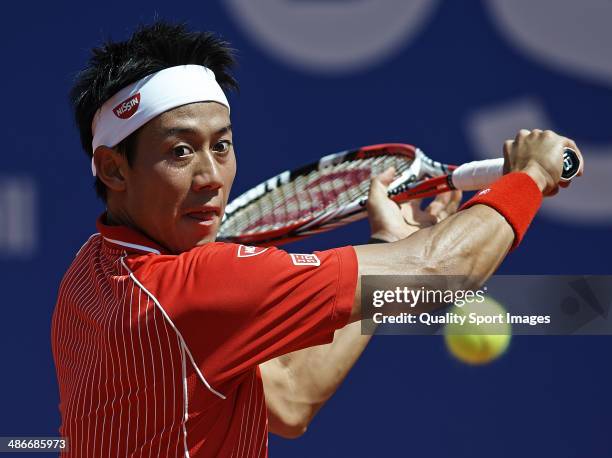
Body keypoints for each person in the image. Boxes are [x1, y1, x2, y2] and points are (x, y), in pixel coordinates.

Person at [51, 21, 583, 457]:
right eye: (181, 152)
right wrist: (529, 178)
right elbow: (437, 273)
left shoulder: (89, 273)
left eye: (222, 145)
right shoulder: (197, 285)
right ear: (113, 169)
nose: (211, 175)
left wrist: (385, 246)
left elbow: (287, 399)